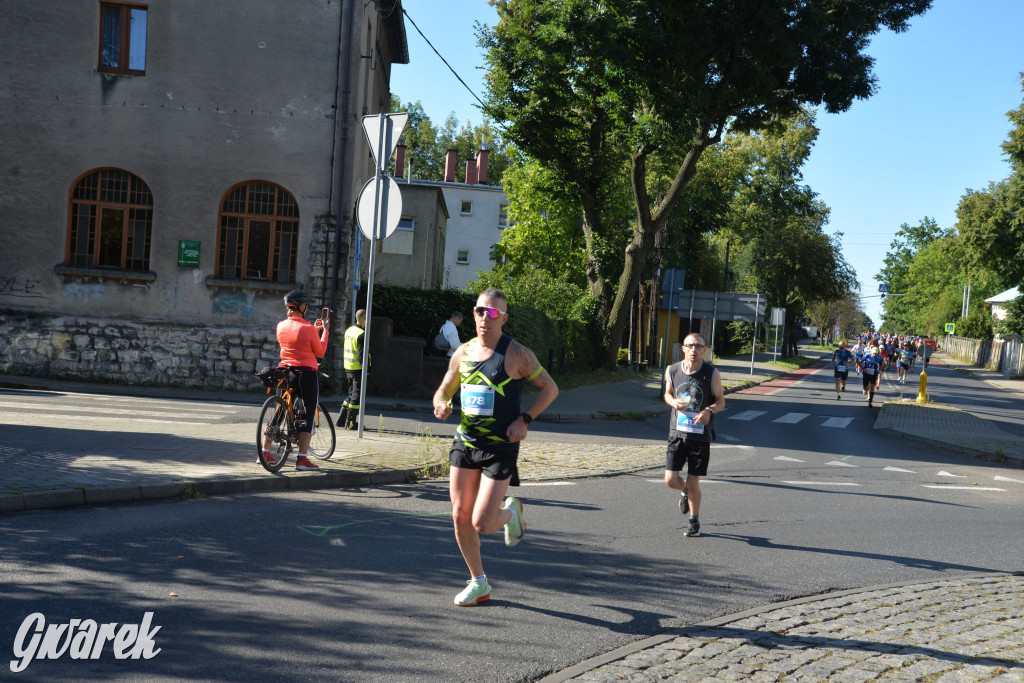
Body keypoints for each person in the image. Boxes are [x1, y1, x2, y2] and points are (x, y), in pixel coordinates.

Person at [432, 288, 559, 607]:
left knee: (483, 523)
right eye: (479, 311)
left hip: (500, 447)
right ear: (473, 314)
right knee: (460, 515)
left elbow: (550, 388)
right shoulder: (462, 352)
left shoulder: (517, 354)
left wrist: (525, 419)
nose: (484, 318)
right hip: (466, 442)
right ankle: (479, 583)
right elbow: (444, 390)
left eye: (491, 313)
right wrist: (442, 403)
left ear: (503, 318)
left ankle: (511, 511)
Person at [663, 333, 725, 538]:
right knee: (671, 480)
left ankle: (694, 521)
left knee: (693, 481)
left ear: (704, 350)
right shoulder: (672, 370)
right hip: (677, 433)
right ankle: (684, 491)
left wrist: (709, 411)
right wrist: (673, 403)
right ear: (683, 348)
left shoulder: (711, 373)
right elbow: (668, 393)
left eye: (699, 346)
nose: (694, 350)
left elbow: (720, 401)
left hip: (700, 435)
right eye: (690, 346)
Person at [263, 290, 328, 471]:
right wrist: (325, 332)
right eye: (306, 305)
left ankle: (264, 452)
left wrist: (313, 331)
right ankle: (302, 459)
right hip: (305, 373)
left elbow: (295, 341)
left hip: (284, 371)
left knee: (279, 411)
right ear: (302, 307)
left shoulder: (281, 325)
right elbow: (320, 352)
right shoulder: (307, 328)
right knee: (307, 413)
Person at [338, 309, 369, 431]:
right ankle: (350, 423)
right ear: (365, 320)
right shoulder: (361, 333)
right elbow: (362, 354)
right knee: (356, 396)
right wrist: (366, 368)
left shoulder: (349, 330)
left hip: (348, 366)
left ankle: (341, 420)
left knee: (351, 394)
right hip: (357, 368)